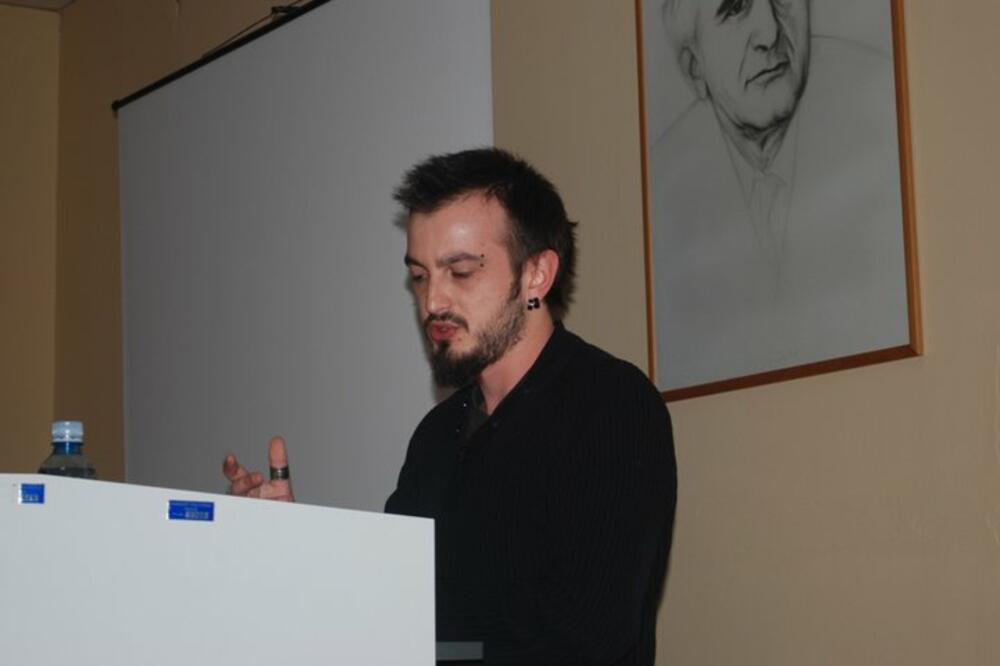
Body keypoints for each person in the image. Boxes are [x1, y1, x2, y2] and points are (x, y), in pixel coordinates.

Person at [224, 148, 677, 665]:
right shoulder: (437, 436)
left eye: (460, 272)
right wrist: (289, 547)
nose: (433, 301)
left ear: (536, 275)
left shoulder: (612, 407)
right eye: (419, 276)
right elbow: (388, 614)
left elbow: (584, 641)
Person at [649, 0, 910, 389]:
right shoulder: (668, 183)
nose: (770, 32)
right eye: (734, 9)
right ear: (694, 67)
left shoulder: (880, 100)